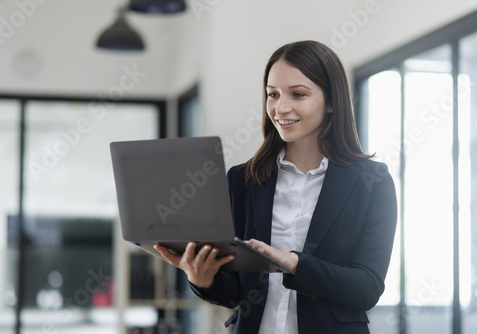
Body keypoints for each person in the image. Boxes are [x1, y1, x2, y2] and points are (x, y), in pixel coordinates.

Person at [155, 40, 397, 334]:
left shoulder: (371, 182)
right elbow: (234, 291)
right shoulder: (242, 180)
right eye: (273, 94)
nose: (281, 108)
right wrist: (202, 278)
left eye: (298, 94)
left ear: (331, 101)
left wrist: (294, 263)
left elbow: (366, 289)